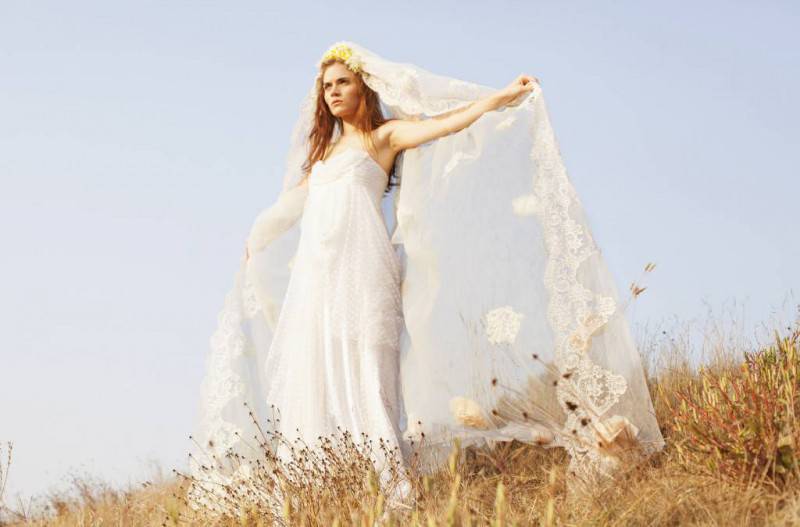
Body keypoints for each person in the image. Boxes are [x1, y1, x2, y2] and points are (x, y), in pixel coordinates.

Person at [188, 41, 664, 514]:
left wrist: (500, 98)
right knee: (316, 372)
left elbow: (444, 124)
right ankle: (322, 491)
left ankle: (392, 491)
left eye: (342, 83)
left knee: (369, 372)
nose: (332, 92)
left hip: (363, 269)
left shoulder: (383, 137)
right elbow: (289, 207)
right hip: (317, 280)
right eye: (326, 85)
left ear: (362, 88)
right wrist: (256, 239)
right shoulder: (324, 155)